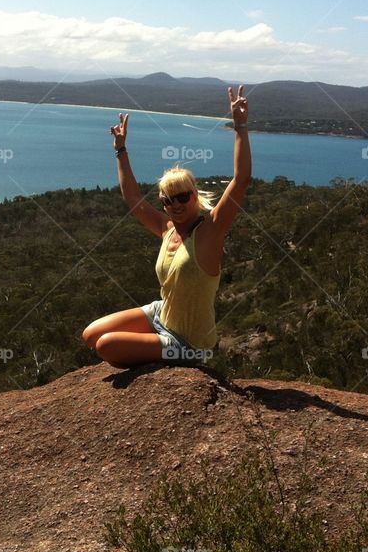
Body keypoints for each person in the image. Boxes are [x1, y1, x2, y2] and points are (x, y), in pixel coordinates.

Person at [82, 85, 251, 368]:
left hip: (187, 344)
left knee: (106, 345)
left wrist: (240, 126)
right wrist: (121, 149)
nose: (176, 204)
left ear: (195, 195)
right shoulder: (167, 227)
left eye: (183, 196)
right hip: (162, 314)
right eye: (168, 200)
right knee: (90, 334)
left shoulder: (210, 229)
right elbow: (133, 198)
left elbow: (242, 179)